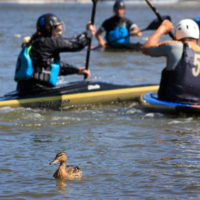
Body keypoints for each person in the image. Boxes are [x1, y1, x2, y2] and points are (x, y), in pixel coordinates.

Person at [15, 13, 96, 91]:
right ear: (49, 29)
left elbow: (50, 67)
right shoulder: (48, 42)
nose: (60, 35)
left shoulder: (35, 42)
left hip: (24, 90)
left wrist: (76, 70)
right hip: (39, 90)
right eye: (58, 31)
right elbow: (77, 44)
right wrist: (89, 32)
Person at [142, 19, 200, 104]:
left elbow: (146, 48)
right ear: (197, 40)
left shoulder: (173, 46)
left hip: (171, 99)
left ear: (176, 37)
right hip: (197, 102)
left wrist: (162, 28)